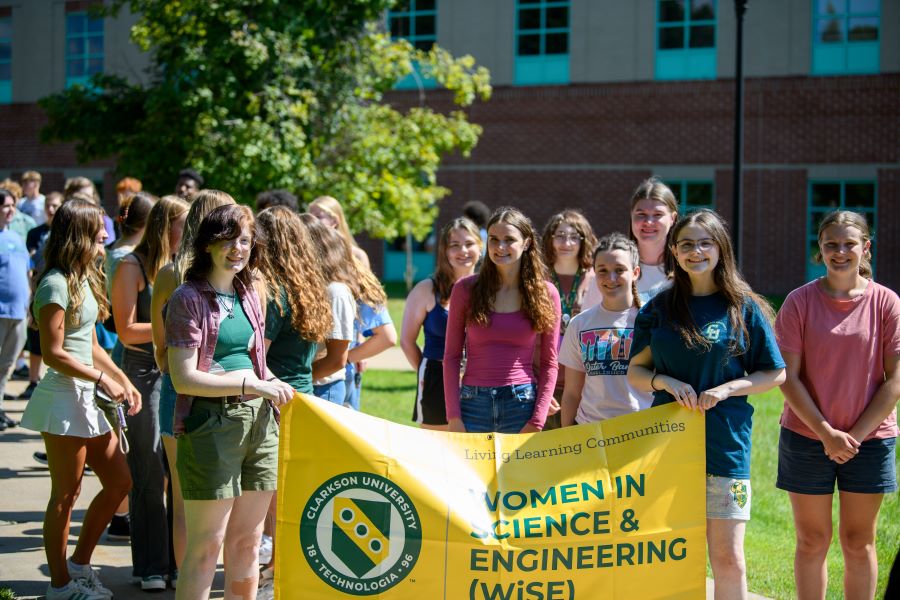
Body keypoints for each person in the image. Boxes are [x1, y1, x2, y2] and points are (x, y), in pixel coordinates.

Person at [627, 209, 785, 600]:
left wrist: (729, 388)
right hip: (667, 448)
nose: (695, 251)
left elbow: (774, 373)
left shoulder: (743, 306)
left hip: (725, 448)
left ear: (720, 248)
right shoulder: (658, 309)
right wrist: (664, 380)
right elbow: (636, 371)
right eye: (686, 245)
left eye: (704, 242)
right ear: (675, 254)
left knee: (729, 558)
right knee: (671, 554)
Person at [165, 202, 294, 600]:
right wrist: (251, 385)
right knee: (206, 547)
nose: (238, 249)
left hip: (261, 424)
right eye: (228, 240)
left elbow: (258, 366)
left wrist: (277, 387)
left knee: (248, 545)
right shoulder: (187, 297)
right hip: (211, 425)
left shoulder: (250, 292)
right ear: (207, 245)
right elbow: (183, 377)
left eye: (244, 240)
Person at [19, 199, 141, 600]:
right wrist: (105, 380)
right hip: (63, 400)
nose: (106, 235)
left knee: (120, 481)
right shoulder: (54, 281)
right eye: (98, 230)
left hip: (88, 397)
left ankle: (79, 565)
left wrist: (123, 379)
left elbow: (88, 344)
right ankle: (60, 587)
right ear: (79, 234)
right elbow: (54, 352)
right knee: (65, 496)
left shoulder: (82, 276)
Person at [774, 210, 899, 600]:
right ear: (820, 250)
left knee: (858, 542)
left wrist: (853, 438)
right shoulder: (799, 302)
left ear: (866, 248)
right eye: (831, 244)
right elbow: (787, 377)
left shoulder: (887, 303)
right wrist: (827, 434)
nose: (840, 252)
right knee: (812, 540)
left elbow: (895, 381)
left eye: (849, 244)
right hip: (806, 438)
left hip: (870, 440)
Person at [151, 190, 235, 587]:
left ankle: (187, 581)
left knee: (184, 500)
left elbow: (159, 345)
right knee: (219, 498)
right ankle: (202, 579)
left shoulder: (170, 272)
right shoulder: (219, 277)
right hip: (211, 391)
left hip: (175, 387)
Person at [111, 194, 188, 590]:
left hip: (175, 371)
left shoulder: (185, 267)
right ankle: (150, 566)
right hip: (141, 372)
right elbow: (125, 330)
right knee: (148, 470)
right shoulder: (132, 265)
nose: (189, 229)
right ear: (165, 226)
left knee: (178, 474)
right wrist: (172, 328)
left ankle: (179, 564)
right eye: (183, 223)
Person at [255, 206, 331, 598]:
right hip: (304, 396)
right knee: (288, 497)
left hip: (273, 400)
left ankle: (272, 576)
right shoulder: (310, 287)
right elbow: (319, 354)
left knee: (272, 501)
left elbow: (258, 358)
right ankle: (280, 571)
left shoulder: (274, 293)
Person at [444, 207, 561, 434]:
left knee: (520, 471)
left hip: (522, 403)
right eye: (494, 240)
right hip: (473, 403)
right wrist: (453, 416)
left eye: (509, 240)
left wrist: (536, 420)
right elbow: (451, 357)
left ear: (526, 243)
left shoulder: (546, 293)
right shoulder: (466, 289)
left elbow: (549, 363)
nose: (500, 247)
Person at [560, 233, 652, 426]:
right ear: (594, 273)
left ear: (635, 273)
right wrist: (568, 439)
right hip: (593, 434)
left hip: (643, 433)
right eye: (603, 270)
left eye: (619, 270)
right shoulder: (579, 324)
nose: (611, 278)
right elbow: (571, 393)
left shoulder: (653, 320)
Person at [400, 218, 481, 430]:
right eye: (455, 245)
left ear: (480, 248)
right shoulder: (427, 289)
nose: (463, 250)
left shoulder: (491, 290)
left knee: (477, 450)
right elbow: (407, 341)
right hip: (437, 376)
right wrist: (426, 371)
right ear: (445, 251)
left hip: (482, 377)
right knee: (436, 450)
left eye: (469, 243)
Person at [539, 209, 599, 429]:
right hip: (544, 378)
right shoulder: (538, 277)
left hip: (583, 380)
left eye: (574, 236)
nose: (567, 242)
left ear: (584, 241)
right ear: (550, 239)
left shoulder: (595, 278)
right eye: (560, 235)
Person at [300, 215, 356, 405]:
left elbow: (337, 360)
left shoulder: (335, 291)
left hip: (324, 389)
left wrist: (297, 380)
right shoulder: (303, 287)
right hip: (304, 387)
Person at [22, 192, 64, 400]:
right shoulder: (34, 233)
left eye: (55, 205)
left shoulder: (63, 233)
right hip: (37, 289)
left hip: (55, 290)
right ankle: (32, 380)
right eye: (48, 204)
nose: (51, 209)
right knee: (35, 339)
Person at [0, 188, 30, 429]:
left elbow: (26, 274)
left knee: (7, 365)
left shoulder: (17, 238)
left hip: (19, 313)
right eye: (5, 206)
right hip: (0, 312)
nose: (10, 210)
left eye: (12, 205)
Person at [629, 177, 678, 303]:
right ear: (631, 216)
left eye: (657, 215)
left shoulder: (687, 267)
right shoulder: (615, 267)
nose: (648, 222)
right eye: (641, 214)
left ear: (672, 218)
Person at [308, 195, 370, 268]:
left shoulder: (356, 255)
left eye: (318, 217)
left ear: (334, 221)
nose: (312, 221)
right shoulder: (307, 252)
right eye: (310, 217)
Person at [64, 177, 116, 244]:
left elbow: (109, 244)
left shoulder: (105, 220)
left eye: (89, 196)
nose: (87, 200)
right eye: (81, 198)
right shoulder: (63, 218)